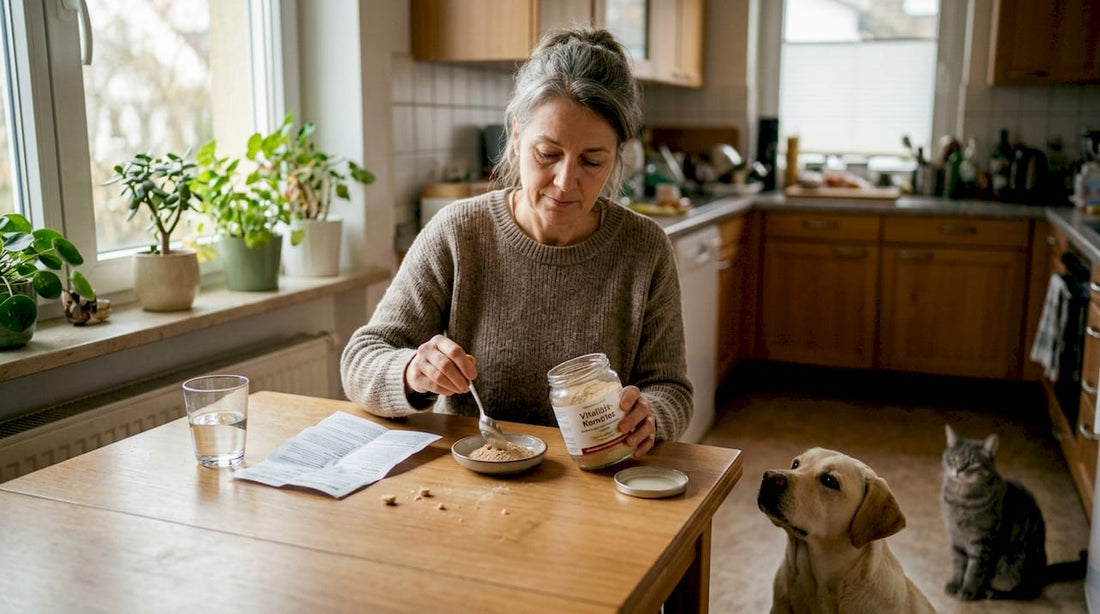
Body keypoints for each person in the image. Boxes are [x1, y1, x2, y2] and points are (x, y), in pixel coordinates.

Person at [340, 26, 692, 457]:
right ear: (516, 135)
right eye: (547, 154)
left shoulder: (645, 248)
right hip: (474, 484)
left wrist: (651, 415)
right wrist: (413, 371)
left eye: (592, 161)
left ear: (619, 155)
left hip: (595, 489)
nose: (565, 183)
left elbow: (671, 388)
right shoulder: (459, 232)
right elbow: (360, 360)